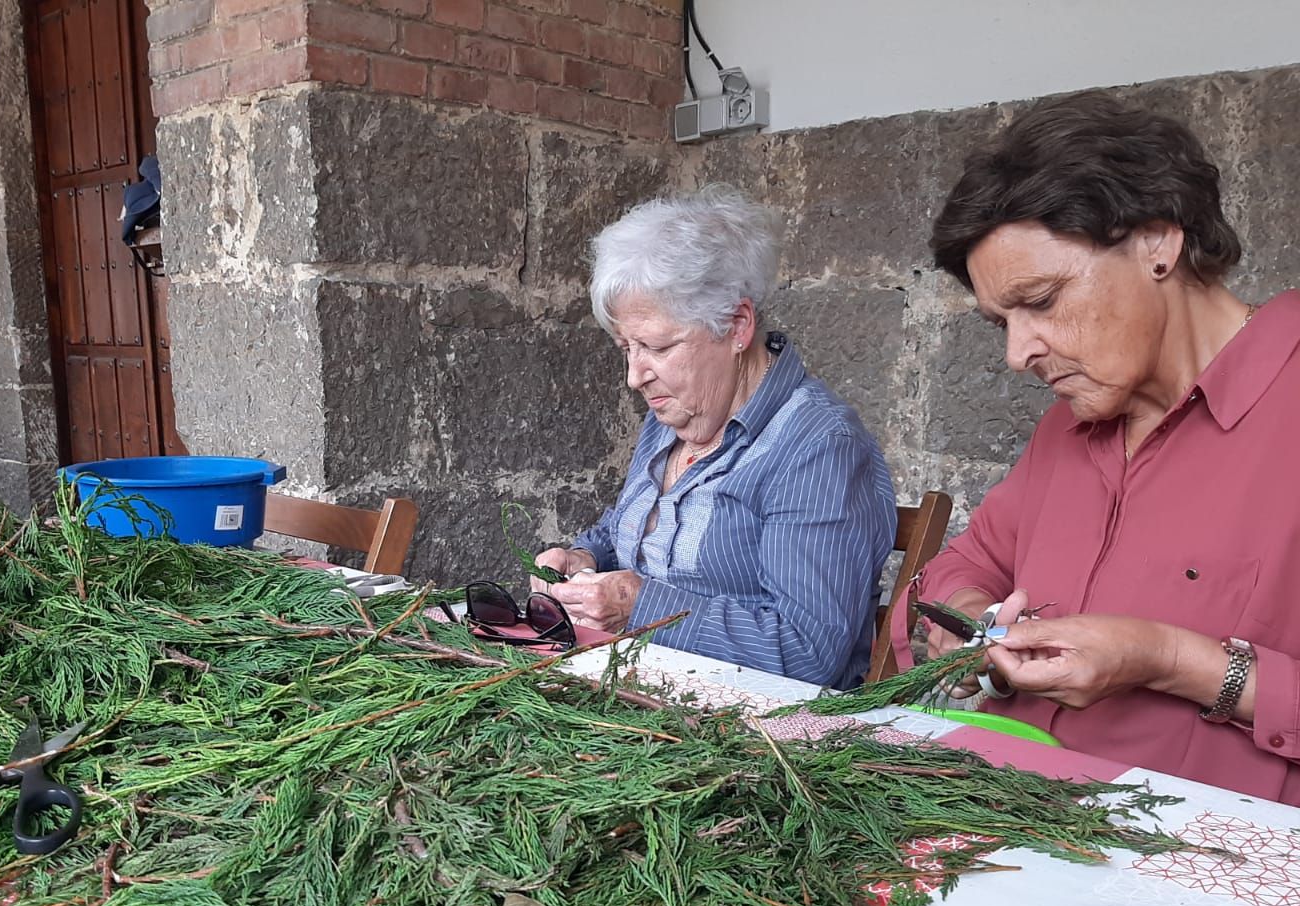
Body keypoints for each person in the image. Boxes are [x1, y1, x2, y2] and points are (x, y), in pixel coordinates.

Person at [918, 89, 1300, 804]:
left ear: (1158, 241)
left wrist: (1168, 660)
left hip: (1198, 874)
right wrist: (969, 618)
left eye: (1040, 301)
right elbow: (966, 565)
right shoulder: (1069, 427)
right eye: (1000, 321)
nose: (1017, 352)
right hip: (1005, 817)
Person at [531, 188, 896, 689]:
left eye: (657, 346)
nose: (635, 376)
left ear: (737, 325)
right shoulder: (672, 419)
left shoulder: (817, 447)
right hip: (640, 695)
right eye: (626, 347)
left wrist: (637, 604)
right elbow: (626, 531)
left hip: (756, 735)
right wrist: (584, 559)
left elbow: (808, 654)